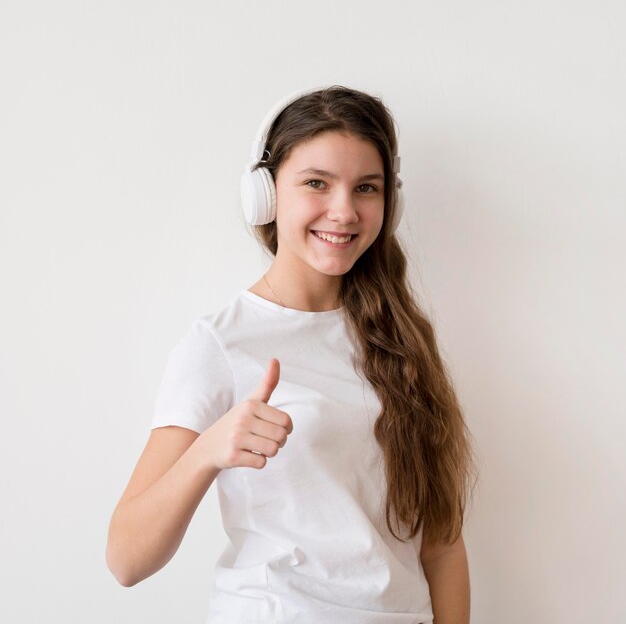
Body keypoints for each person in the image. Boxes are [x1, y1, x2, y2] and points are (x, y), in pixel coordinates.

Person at [106, 85, 477, 623]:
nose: (344, 211)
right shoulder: (219, 344)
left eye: (366, 188)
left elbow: (442, 547)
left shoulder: (402, 341)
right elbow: (125, 558)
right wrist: (210, 449)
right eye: (316, 183)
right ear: (267, 195)